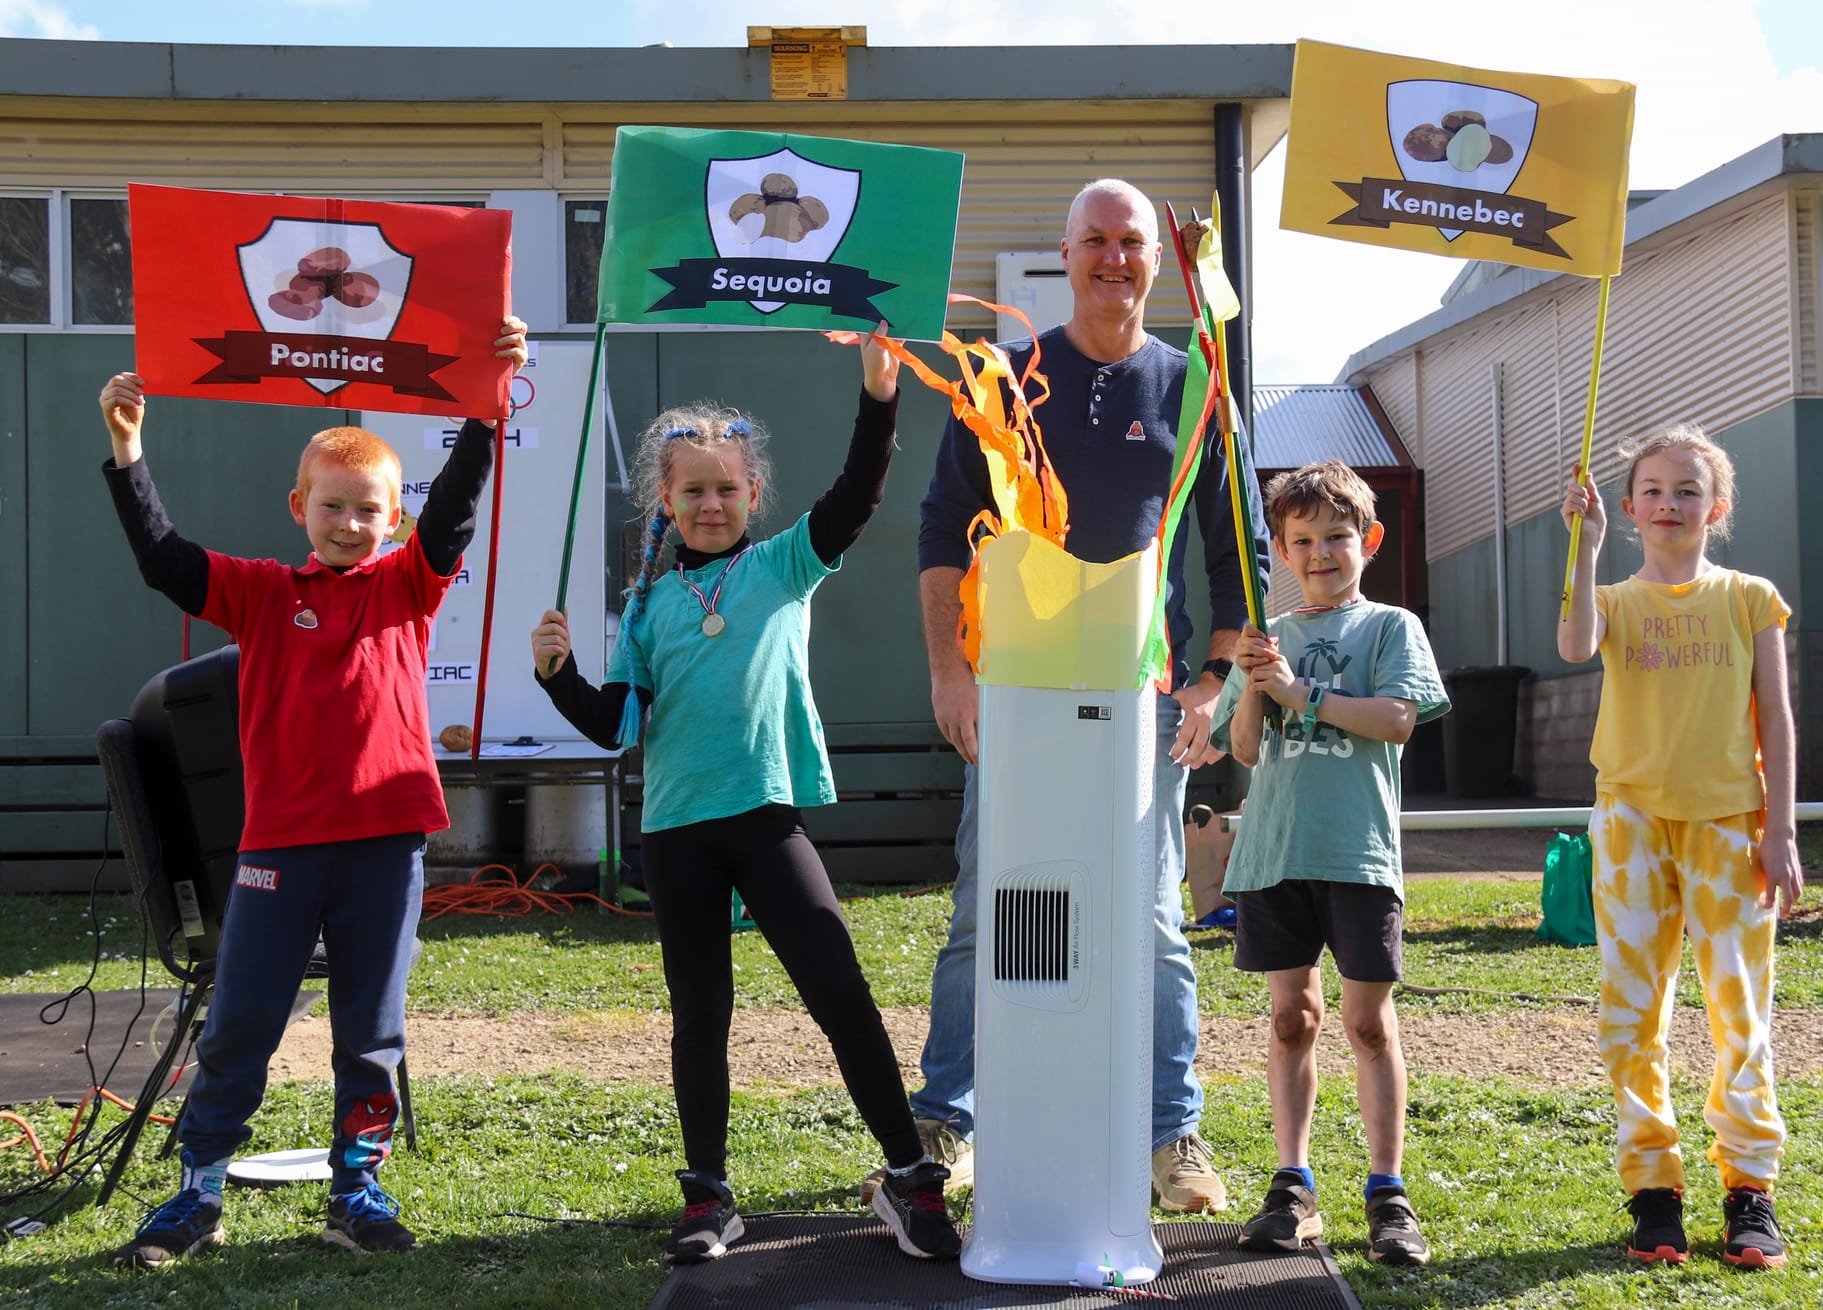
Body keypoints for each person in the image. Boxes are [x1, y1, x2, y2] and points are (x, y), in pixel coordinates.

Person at [97, 317, 530, 1268]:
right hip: (280, 849)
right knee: (242, 1022)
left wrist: (486, 407)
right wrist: (129, 452)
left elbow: (455, 507)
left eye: (368, 510)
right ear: (300, 506)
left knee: (369, 1032)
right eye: (332, 507)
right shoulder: (257, 591)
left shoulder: (407, 587)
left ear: (390, 519)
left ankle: (356, 1189)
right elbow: (166, 560)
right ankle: (197, 1194)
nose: (349, 524)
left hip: (386, 844)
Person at [528, 326, 959, 1265]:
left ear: (752, 495)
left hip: (765, 820)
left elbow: (856, 497)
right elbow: (615, 725)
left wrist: (879, 393)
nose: (712, 502)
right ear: (667, 503)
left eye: (728, 488)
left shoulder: (781, 567)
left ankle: (909, 1178)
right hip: (679, 830)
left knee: (840, 993)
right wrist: (558, 675)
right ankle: (708, 1195)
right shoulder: (646, 608)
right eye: (694, 491)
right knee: (702, 1015)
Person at [894, 176, 1268, 1213]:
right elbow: (938, 531)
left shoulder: (1195, 387)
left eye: (1131, 242)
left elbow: (1236, 555)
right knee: (992, 904)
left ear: (1159, 260)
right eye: (1093, 240)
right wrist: (947, 668)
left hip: (1139, 699)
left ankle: (1169, 1131)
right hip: (1012, 693)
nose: (1113, 258)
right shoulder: (1004, 381)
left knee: (1150, 919)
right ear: (1063, 255)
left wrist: (1209, 682)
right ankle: (950, 1115)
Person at [1557, 423, 1802, 1269]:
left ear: (1717, 508)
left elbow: (1776, 714)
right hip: (1629, 824)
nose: (1669, 503)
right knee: (1632, 1012)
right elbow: (1572, 644)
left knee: (1741, 1009)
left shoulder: (1749, 597)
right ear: (1628, 509)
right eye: (1653, 491)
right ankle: (1653, 1190)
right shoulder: (1615, 602)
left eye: (1687, 491)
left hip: (1731, 825)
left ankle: (1750, 1191)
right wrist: (1582, 554)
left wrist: (1781, 829)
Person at [1211, 461, 1446, 1265]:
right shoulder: (1267, 640)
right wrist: (1255, 684)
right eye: (1301, 540)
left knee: (1366, 1023)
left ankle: (1388, 1194)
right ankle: (1293, 1185)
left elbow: (1398, 718)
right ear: (1278, 549)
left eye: (1336, 538)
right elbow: (1242, 748)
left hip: (1358, 853)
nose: (1319, 554)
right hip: (1277, 856)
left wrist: (1302, 693)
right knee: (1291, 1020)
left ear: (1367, 541)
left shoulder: (1389, 627)